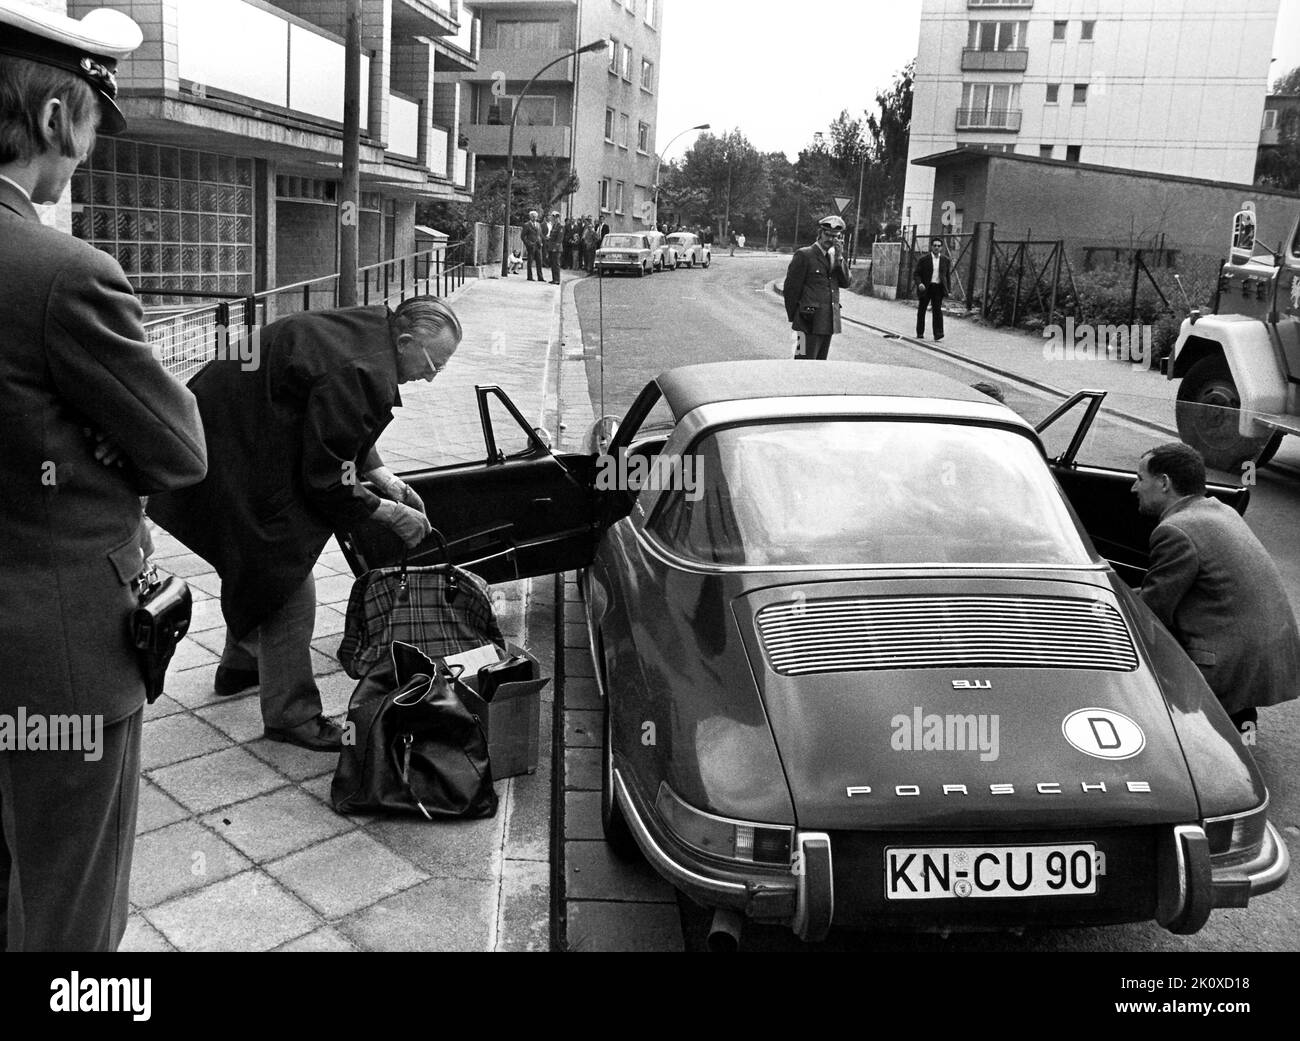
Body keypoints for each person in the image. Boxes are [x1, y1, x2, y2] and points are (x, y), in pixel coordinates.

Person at [0, 3, 208, 951]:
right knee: (70, 914)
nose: (80, 159)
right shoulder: (61, 272)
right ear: (51, 120)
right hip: (58, 663)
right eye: (85, 132)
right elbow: (178, 449)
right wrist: (97, 439)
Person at [148, 298, 461, 752]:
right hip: (227, 451)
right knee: (286, 576)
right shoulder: (361, 368)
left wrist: (382, 476)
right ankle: (292, 716)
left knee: (255, 556)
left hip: (233, 434)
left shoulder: (371, 331)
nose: (433, 375)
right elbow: (327, 479)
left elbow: (333, 423)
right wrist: (391, 514)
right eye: (435, 363)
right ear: (405, 340)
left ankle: (242, 663)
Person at [1132, 443, 1300, 738]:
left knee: (1139, 654)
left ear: (1164, 482)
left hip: (1229, 661)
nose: (1134, 487)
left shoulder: (1175, 530)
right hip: (1264, 652)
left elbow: (1152, 611)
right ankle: (1238, 721)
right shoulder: (1219, 510)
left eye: (1140, 478)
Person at [782, 214, 851, 361]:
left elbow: (846, 282)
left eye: (835, 236)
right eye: (827, 234)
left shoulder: (834, 258)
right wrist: (797, 317)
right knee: (801, 364)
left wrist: (839, 258)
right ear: (820, 233)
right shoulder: (804, 255)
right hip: (807, 322)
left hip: (827, 321)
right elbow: (791, 289)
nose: (830, 239)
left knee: (819, 367)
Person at [914, 237, 951, 340]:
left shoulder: (945, 260)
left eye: (939, 246)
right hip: (926, 287)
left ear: (941, 248)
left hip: (938, 287)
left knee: (937, 310)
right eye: (934, 245)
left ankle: (938, 333)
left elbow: (947, 276)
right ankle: (920, 332)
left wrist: (949, 290)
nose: (936, 248)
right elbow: (916, 274)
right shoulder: (924, 259)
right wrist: (919, 284)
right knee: (922, 310)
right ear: (931, 247)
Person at [520, 208, 543, 281]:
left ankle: (540, 277)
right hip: (531, 245)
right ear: (530, 217)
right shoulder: (527, 225)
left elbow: (539, 234)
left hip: (538, 245)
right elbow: (523, 236)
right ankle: (530, 276)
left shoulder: (539, 224)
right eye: (533, 216)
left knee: (539, 261)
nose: (534, 218)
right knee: (530, 261)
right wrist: (528, 243)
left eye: (535, 216)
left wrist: (541, 242)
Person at [543, 209, 563, 284]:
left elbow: (559, 239)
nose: (552, 218)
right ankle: (554, 278)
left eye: (553, 217)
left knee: (556, 264)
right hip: (552, 247)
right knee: (553, 263)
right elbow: (553, 236)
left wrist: (555, 248)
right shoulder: (554, 225)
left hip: (556, 249)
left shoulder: (560, 226)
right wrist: (549, 238)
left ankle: (557, 279)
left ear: (556, 217)